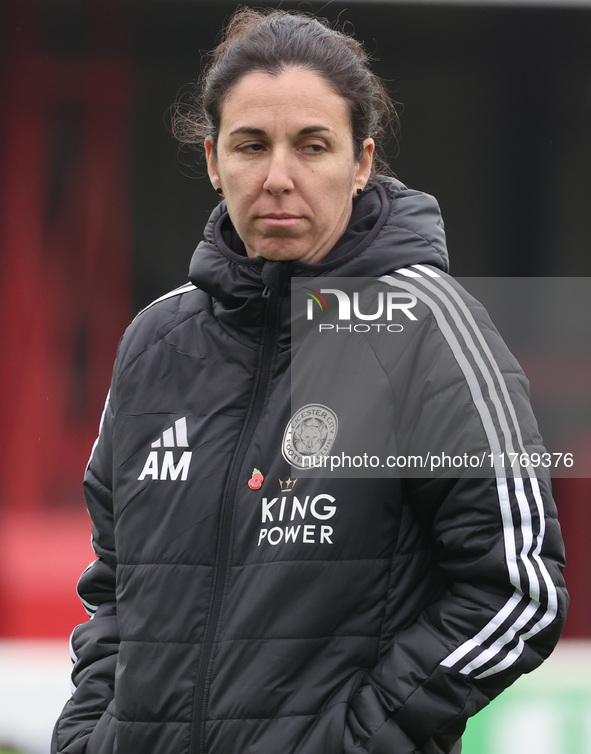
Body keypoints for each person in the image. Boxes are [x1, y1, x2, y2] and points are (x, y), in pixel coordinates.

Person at [52, 8, 568, 754]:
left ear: (359, 164)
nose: (278, 178)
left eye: (312, 146)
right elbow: (115, 585)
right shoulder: (156, 341)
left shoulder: (426, 330)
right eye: (250, 145)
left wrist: (354, 743)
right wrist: (87, 739)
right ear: (211, 160)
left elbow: (518, 591)